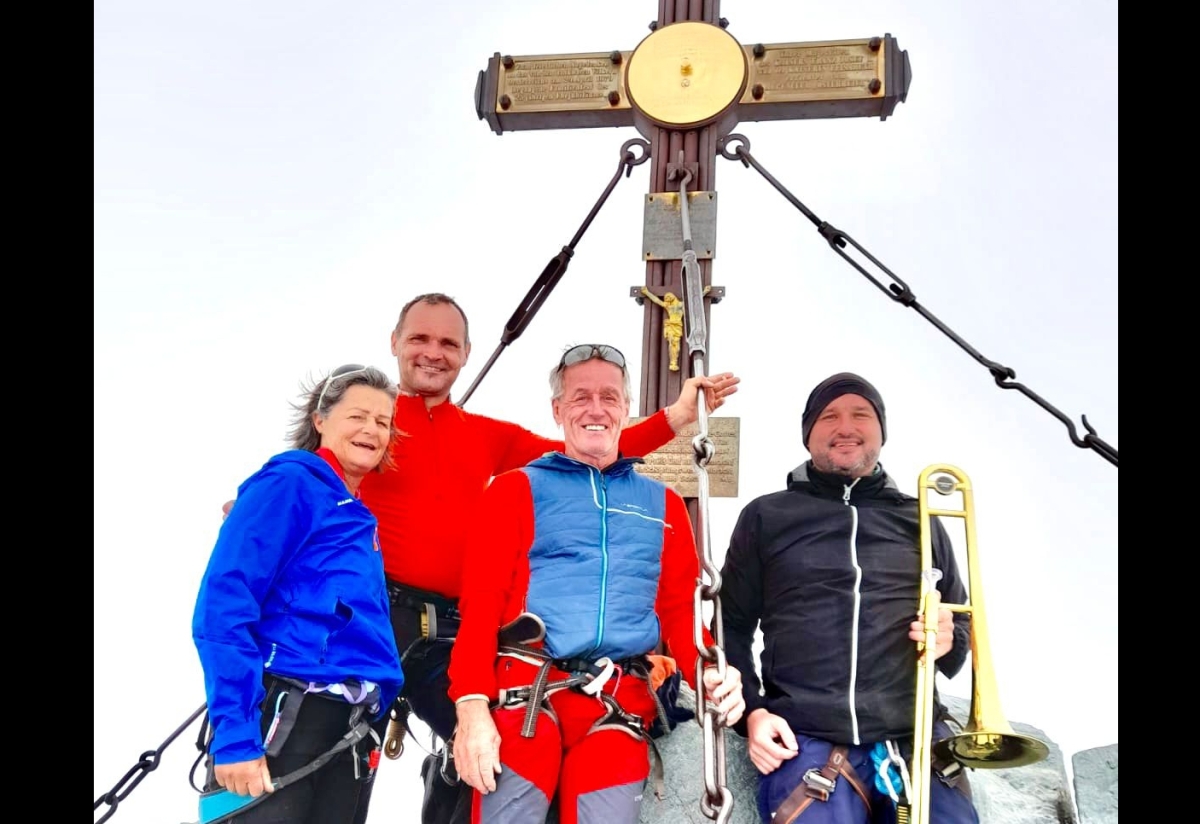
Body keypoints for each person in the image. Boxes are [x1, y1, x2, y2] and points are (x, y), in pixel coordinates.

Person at [357, 293, 739, 823]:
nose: (433, 352)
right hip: (382, 623)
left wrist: (673, 418)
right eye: (420, 338)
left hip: (460, 632)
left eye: (448, 342)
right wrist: (266, 500)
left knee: (502, 767)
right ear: (395, 343)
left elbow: (591, 448)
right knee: (350, 760)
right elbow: (322, 464)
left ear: (467, 352)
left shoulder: (487, 438)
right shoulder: (369, 422)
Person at [447, 342, 746, 824]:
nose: (595, 409)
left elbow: (679, 615)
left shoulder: (664, 506)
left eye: (609, 397)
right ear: (557, 409)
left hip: (618, 705)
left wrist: (709, 675)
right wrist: (471, 708)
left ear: (625, 410)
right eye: (580, 396)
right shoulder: (515, 489)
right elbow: (480, 606)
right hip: (528, 693)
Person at [717, 373, 979, 824]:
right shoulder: (767, 515)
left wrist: (946, 639)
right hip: (807, 735)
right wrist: (753, 715)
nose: (846, 426)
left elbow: (960, 621)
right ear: (808, 434)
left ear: (880, 430)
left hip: (915, 736)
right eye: (829, 416)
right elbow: (730, 625)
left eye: (861, 414)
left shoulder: (921, 517)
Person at [194, 364, 406, 824]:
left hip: (350, 731)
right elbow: (224, 605)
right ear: (320, 420)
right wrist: (234, 734)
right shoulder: (290, 483)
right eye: (357, 416)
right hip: (286, 713)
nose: (371, 429)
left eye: (383, 422)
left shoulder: (357, 515)